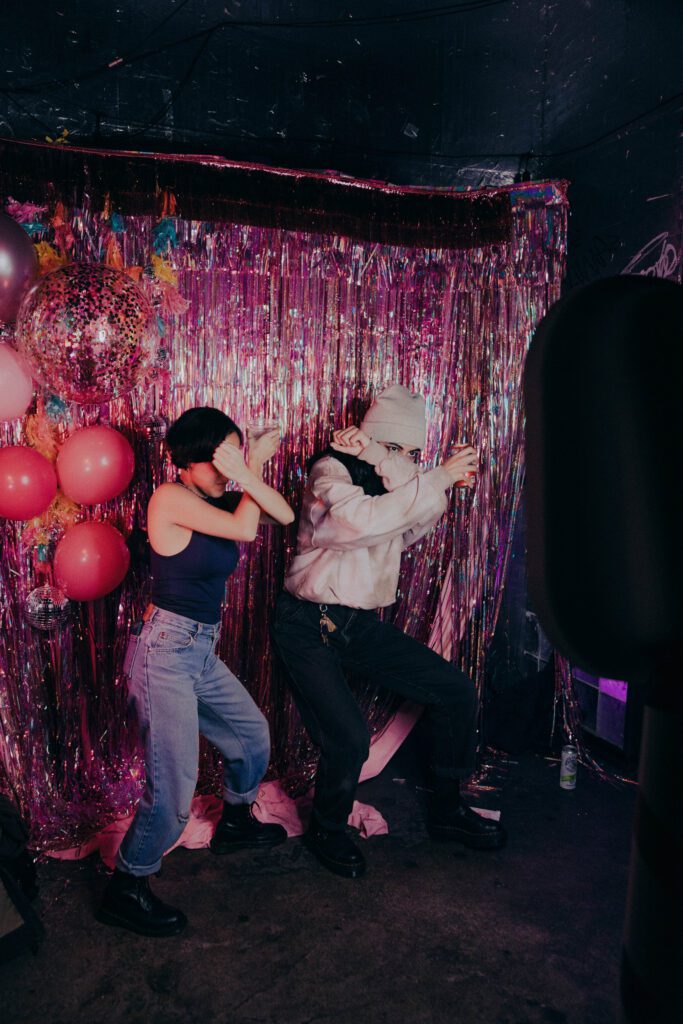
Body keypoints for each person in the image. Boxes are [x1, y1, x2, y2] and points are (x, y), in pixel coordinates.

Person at [270, 384, 505, 879]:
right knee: (350, 739)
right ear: (367, 436)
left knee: (456, 692)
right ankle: (327, 829)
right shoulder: (329, 472)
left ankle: (446, 811)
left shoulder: (395, 485)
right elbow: (357, 524)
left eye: (412, 453)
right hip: (307, 624)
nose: (405, 461)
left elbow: (426, 514)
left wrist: (385, 457)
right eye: (392, 446)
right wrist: (432, 475)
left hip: (357, 624)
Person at [97, 406, 295, 936]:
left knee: (251, 735)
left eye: (232, 455)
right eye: (219, 457)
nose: (227, 468)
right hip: (164, 652)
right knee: (173, 791)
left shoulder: (221, 499)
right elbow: (245, 530)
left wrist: (246, 472)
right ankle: (127, 886)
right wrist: (251, 466)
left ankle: (235, 822)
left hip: (199, 650)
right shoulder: (169, 498)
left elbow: (282, 515)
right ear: (187, 461)